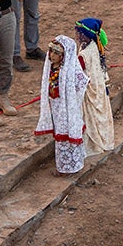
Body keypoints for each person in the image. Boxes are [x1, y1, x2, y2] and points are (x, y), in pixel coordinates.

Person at [34, 37, 88, 175]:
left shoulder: (70, 69)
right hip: (56, 107)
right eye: (51, 51)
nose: (52, 55)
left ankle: (68, 167)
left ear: (64, 55)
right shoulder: (51, 67)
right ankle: (65, 165)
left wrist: (71, 98)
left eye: (56, 53)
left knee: (67, 133)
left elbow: (82, 82)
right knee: (60, 135)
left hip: (67, 108)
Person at [76, 18, 116, 155]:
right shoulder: (96, 46)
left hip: (90, 90)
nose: (78, 36)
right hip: (99, 88)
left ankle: (93, 144)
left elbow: (79, 74)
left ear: (85, 35)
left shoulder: (83, 54)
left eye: (80, 33)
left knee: (90, 117)